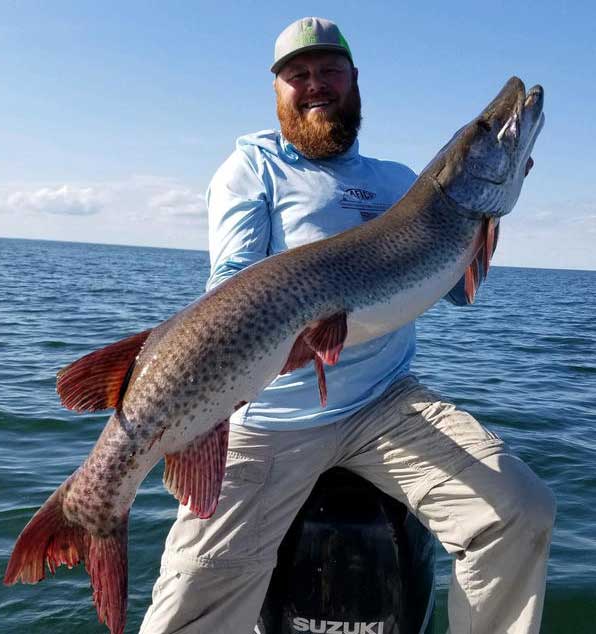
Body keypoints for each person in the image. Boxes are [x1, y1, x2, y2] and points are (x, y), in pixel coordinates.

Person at [140, 17, 555, 634]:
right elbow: (231, 285)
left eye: (329, 71)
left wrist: (489, 215)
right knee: (193, 596)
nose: (315, 85)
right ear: (277, 90)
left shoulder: (396, 182)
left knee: (520, 511)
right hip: (274, 415)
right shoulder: (251, 171)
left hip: (385, 402)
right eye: (298, 75)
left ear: (354, 79)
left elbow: (459, 294)